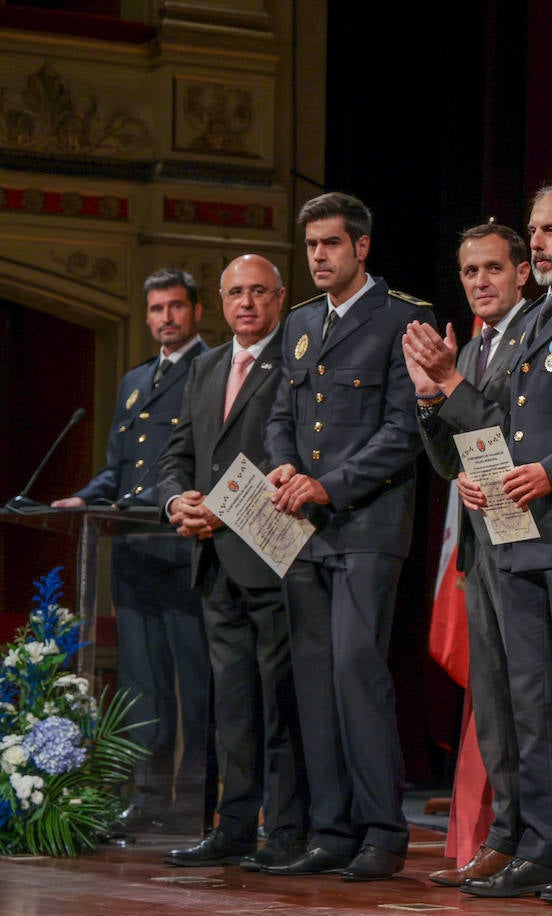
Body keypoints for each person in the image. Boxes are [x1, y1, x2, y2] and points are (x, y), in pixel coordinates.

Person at [408, 181, 552, 905]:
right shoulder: (529, 319)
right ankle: (542, 846)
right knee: (531, 703)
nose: (536, 242)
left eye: (549, 230)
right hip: (513, 534)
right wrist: (455, 422)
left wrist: (549, 473)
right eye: (535, 230)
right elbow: (494, 428)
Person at [261, 192, 432, 882]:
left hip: (367, 525)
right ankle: (330, 829)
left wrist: (328, 484)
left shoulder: (403, 318)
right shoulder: (300, 321)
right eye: (311, 247)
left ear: (362, 247)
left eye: (332, 244)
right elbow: (281, 413)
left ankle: (382, 832)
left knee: (355, 670)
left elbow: (405, 431)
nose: (320, 257)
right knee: (312, 677)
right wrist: (283, 464)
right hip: (301, 529)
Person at [157, 254, 308, 869]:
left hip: (273, 557)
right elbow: (177, 452)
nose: (246, 303)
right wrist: (178, 502)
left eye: (258, 292)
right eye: (235, 293)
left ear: (279, 298)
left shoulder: (294, 363)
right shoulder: (207, 367)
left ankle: (288, 828)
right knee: (233, 702)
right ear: (220, 302)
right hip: (213, 558)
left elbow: (296, 450)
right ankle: (235, 824)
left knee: (279, 699)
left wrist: (222, 505)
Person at [402, 222, 536, 887]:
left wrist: (449, 380)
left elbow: (508, 433)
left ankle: (536, 839)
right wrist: (430, 395)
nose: (480, 283)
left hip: (528, 538)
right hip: (482, 544)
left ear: (521, 274)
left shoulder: (531, 337)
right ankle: (505, 836)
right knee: (493, 701)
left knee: (527, 700)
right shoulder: (476, 347)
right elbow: (452, 456)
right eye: (469, 272)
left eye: (492, 270)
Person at [53, 268, 210, 834]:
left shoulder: (213, 368)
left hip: (184, 545)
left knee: (194, 680)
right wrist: (82, 498)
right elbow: (119, 469)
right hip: (132, 548)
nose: (165, 318)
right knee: (142, 683)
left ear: (195, 311)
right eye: (155, 309)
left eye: (174, 307)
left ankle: (195, 801)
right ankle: (146, 799)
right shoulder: (135, 380)